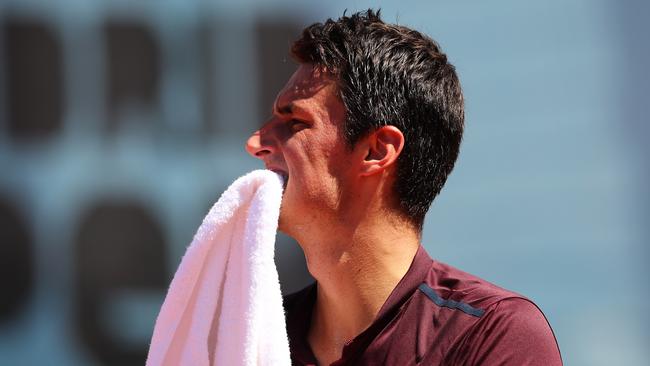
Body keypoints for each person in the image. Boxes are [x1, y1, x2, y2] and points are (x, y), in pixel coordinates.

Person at [245, 9, 562, 366]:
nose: (256, 142)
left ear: (377, 150)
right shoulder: (249, 339)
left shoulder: (493, 335)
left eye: (295, 121)